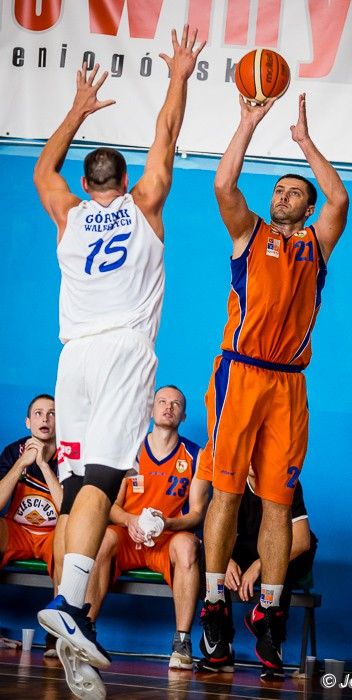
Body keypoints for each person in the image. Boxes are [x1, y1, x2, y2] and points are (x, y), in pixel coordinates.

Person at [33, 25, 205, 700]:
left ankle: (71, 616)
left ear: (85, 182)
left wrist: (76, 110)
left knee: (79, 487)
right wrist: (179, 76)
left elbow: (42, 172)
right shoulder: (145, 205)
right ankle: (69, 607)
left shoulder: (68, 214)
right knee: (104, 479)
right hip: (122, 351)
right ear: (126, 180)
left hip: (71, 357)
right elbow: (166, 134)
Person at [197, 92, 348, 678]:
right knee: (227, 493)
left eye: (293, 192)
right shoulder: (248, 233)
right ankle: (214, 602)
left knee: (279, 503)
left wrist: (304, 144)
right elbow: (223, 185)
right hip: (239, 373)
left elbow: (340, 198)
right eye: (279, 189)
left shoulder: (317, 246)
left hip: (288, 383)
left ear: (307, 207)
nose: (282, 195)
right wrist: (247, 123)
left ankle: (269, 611)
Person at [83, 385, 208, 670]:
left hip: (168, 537)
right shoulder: (131, 449)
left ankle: (182, 642)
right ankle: (86, 630)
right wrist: (129, 520)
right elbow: (110, 506)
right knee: (102, 539)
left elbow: (197, 513)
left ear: (184, 415)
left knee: (188, 546)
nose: (168, 407)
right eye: (162, 401)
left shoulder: (196, 455)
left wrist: (168, 523)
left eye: (176, 404)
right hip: (129, 534)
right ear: (151, 409)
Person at [0, 394, 61, 657]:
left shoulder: (69, 457)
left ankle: (56, 636)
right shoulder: (13, 451)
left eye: (52, 413)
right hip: (18, 532)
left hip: (54, 534)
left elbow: (68, 509)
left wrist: (44, 466)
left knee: (70, 542)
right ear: (28, 422)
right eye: (38, 413)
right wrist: (21, 464)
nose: (45, 419)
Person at [225, 468, 317, 639]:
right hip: (248, 549)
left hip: (281, 554)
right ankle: (220, 641)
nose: (253, 460)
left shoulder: (286, 481)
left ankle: (270, 634)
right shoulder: (229, 481)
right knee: (211, 559)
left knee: (286, 559)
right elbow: (213, 535)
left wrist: (260, 565)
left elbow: (302, 542)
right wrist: (224, 560)